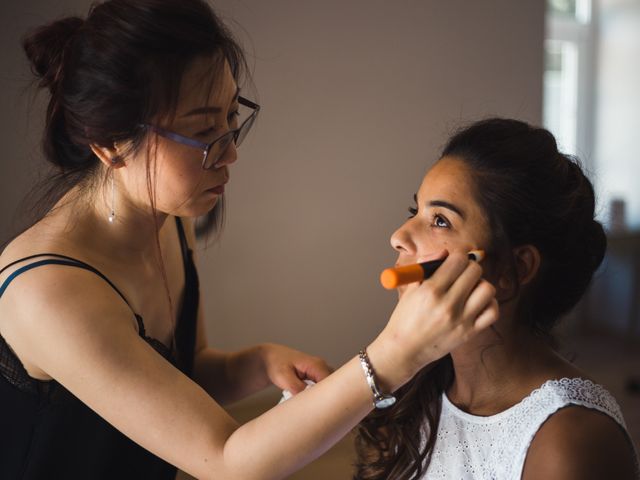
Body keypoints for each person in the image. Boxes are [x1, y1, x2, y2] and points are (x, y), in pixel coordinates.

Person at [0, 1, 499, 479]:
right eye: (203, 130)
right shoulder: (47, 293)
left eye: (231, 118)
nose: (231, 153)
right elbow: (226, 461)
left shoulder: (170, 216)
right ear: (110, 144)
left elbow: (176, 375)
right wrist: (396, 355)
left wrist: (255, 362)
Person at [354, 118, 640, 480]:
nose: (398, 236)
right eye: (416, 212)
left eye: (440, 220)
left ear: (514, 268)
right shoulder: (414, 391)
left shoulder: (569, 442)